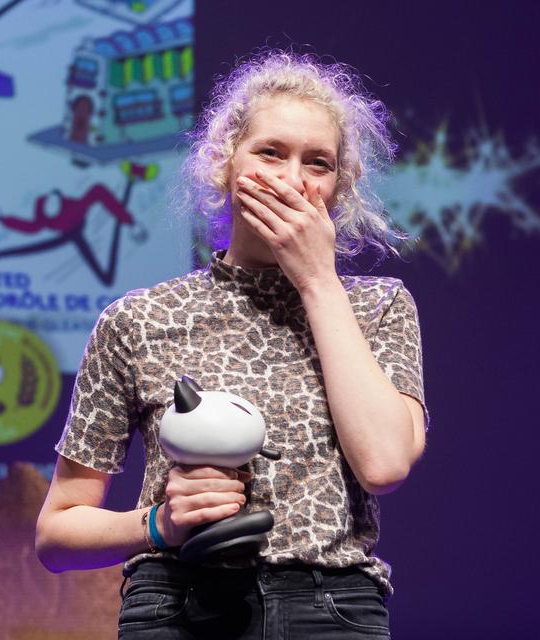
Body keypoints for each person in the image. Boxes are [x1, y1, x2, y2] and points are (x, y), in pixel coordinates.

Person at [35, 50, 429, 639]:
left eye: (317, 163)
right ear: (224, 164)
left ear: (338, 189)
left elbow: (384, 463)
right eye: (270, 152)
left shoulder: (378, 307)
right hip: (177, 602)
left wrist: (318, 280)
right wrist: (159, 525)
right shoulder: (139, 318)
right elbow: (57, 535)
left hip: (331, 606)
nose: (292, 179)